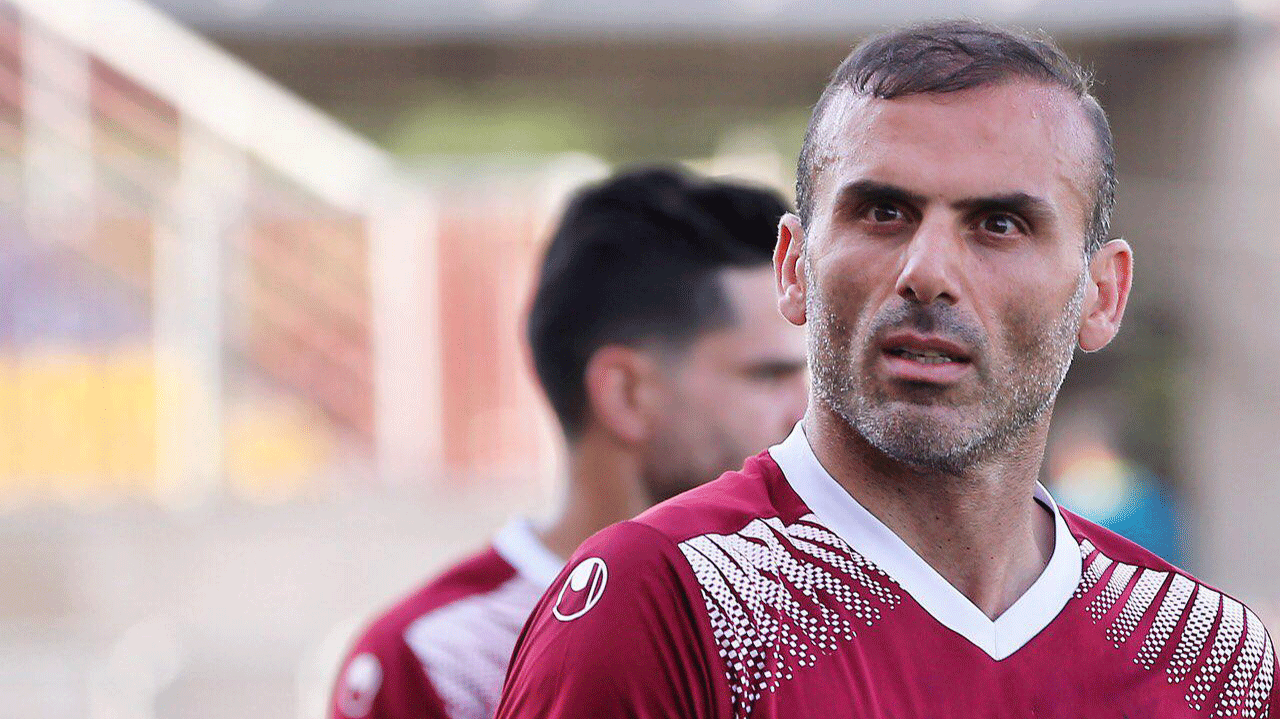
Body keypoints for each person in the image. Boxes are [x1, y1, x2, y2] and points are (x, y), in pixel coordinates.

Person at [496, 20, 1278, 718]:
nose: (927, 271)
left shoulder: (1214, 661)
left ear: (1102, 295)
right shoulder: (665, 606)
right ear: (793, 268)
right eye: (883, 212)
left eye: (999, 223)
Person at [329, 167, 808, 719]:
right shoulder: (435, 661)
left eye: (809, 375)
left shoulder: (832, 606)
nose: (804, 411)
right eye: (768, 376)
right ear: (626, 394)